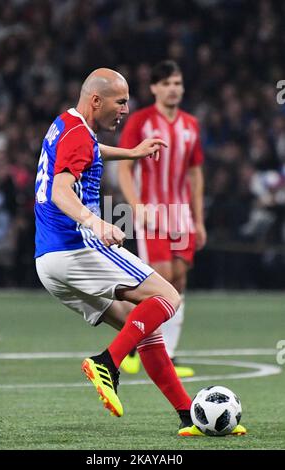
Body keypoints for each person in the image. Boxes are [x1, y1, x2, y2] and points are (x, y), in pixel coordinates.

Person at [34, 68, 245, 437]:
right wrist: (95, 222)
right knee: (168, 296)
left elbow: (88, 152)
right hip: (76, 246)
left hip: (48, 263)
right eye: (120, 101)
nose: (126, 109)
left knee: (146, 330)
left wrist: (130, 152)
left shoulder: (66, 124)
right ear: (96, 100)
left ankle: (187, 416)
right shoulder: (78, 134)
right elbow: (60, 191)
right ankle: (108, 363)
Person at [118, 60, 206, 378]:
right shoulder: (140, 121)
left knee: (179, 282)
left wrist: (199, 219)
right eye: (167, 83)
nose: (173, 89)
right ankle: (132, 346)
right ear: (154, 87)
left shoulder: (191, 125)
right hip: (154, 213)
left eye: (178, 83)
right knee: (161, 281)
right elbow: (124, 166)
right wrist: (136, 205)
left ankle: (168, 354)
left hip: (182, 215)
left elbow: (195, 174)